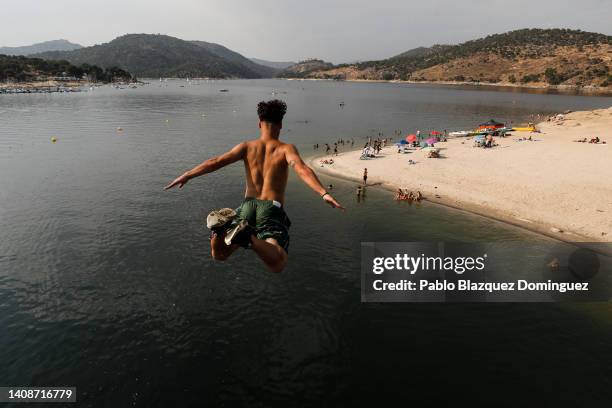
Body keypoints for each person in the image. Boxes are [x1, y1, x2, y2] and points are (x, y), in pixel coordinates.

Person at [165, 100, 344, 273]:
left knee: (220, 254)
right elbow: (302, 169)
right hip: (270, 207)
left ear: (259, 124)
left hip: (247, 205)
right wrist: (323, 193)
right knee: (278, 262)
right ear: (280, 124)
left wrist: (188, 175)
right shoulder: (286, 149)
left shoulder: (246, 147)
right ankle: (249, 239)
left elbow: (215, 162)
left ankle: (219, 230)